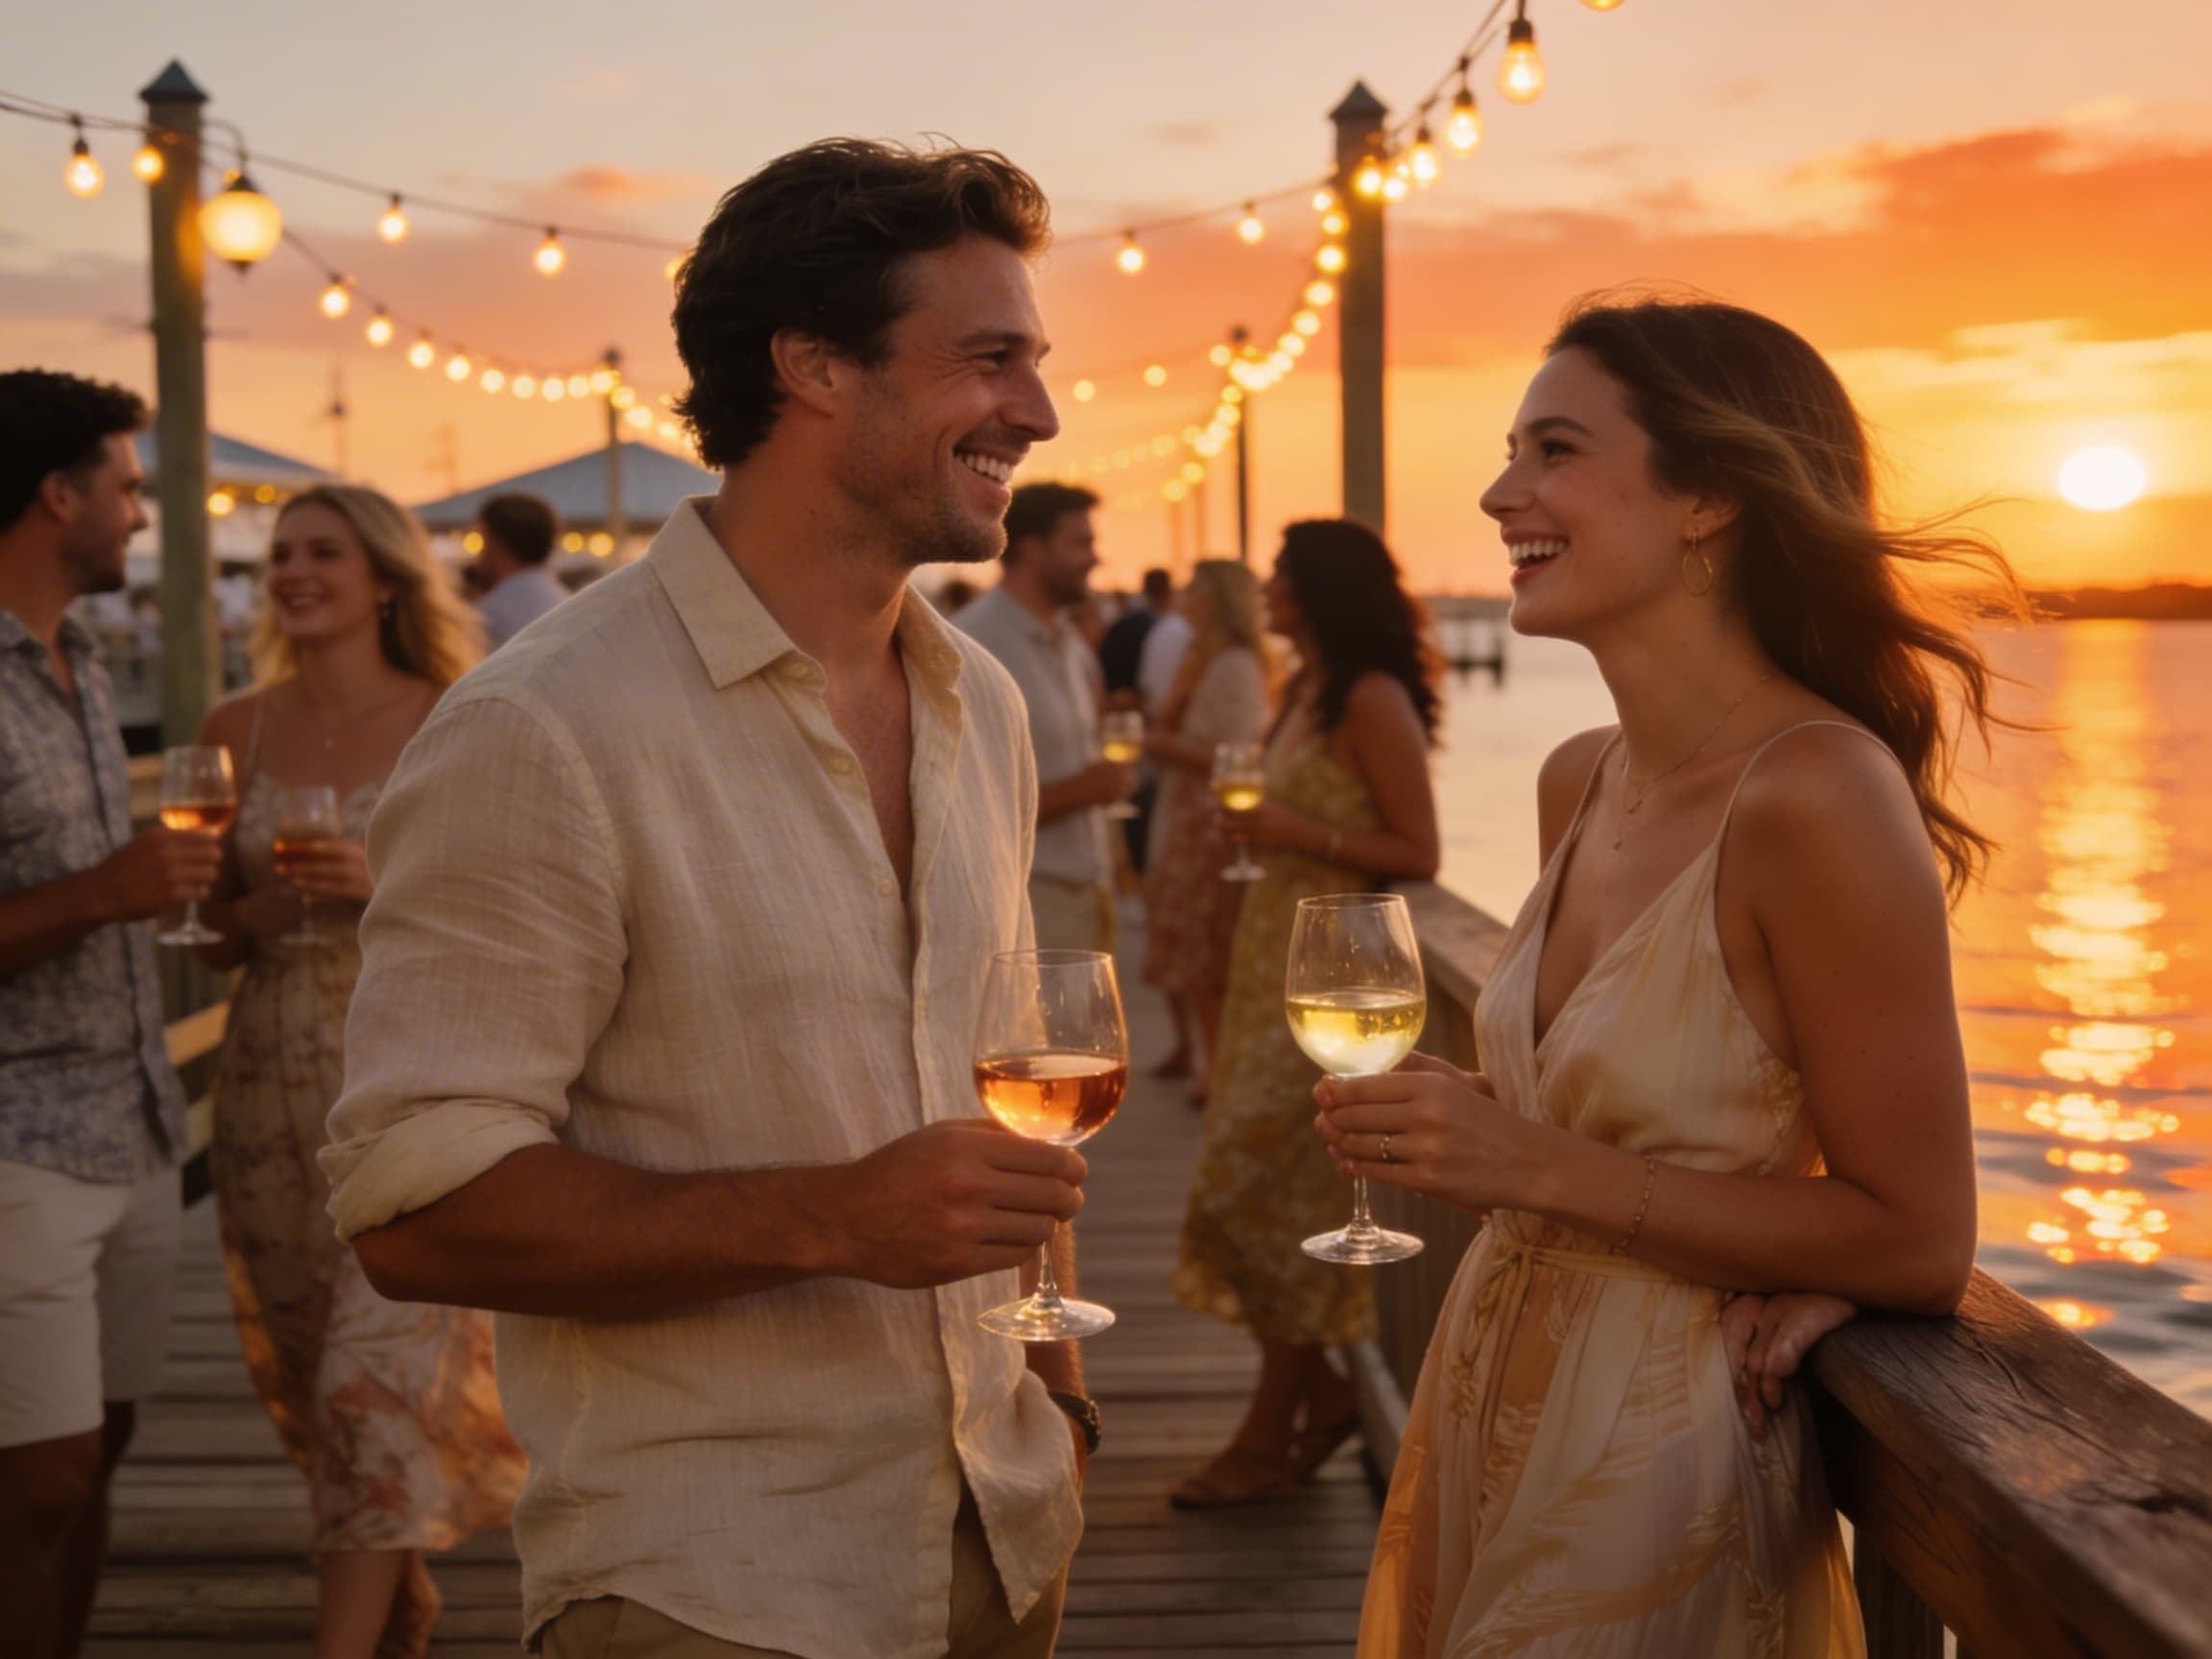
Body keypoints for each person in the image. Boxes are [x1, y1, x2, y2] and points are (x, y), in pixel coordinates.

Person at [321, 139, 1094, 1659]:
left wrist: (1058, 1398)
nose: (1041, 412)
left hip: (1005, 1540)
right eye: (990, 359)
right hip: (711, 1586)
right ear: (811, 364)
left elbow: (1013, 1095)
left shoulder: (981, 706)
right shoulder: (542, 726)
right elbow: (414, 1209)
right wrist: (833, 1216)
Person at [1318, 297, 2013, 1656]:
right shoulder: (1579, 777)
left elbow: (1923, 1236)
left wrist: (1523, 1161)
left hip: (1658, 1452)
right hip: (1489, 1391)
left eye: (1554, 450)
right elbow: (1632, 1116)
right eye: (1513, 450)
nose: (1499, 491)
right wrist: (1467, 1112)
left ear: (1709, 498)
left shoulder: (1817, 794)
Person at [190, 485, 514, 1659]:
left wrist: (378, 890)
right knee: (305, 1366)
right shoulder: (237, 728)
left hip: (407, 1075)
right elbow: (214, 932)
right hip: (272, 1081)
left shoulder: (459, 713)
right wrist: (255, 906)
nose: (292, 571)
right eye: (280, 554)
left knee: (363, 1382)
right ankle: (390, 1587)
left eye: (323, 551)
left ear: (385, 576)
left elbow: (507, 904)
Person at [0, 370, 221, 1659]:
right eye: (128, 486)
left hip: (137, 1124)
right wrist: (106, 890)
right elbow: (89, 897)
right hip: (20, 1139)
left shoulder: (79, 660)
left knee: (101, 1452)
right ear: (56, 492)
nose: (139, 513)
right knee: (38, 1478)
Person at [1171, 520, 1442, 1508]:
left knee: (1272, 1197)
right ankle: (1321, 1397)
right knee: (1239, 1191)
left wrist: (1293, 828)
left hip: (1339, 982)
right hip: (1267, 973)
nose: (1270, 584)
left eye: (1284, 571)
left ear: (1320, 587)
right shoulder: (1306, 692)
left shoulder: (1369, 698)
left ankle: (1265, 1428)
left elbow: (1419, 847)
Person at [956, 482, 1129, 953]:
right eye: (1081, 543)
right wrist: (1087, 789)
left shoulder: (1069, 642)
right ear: (1032, 549)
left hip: (1086, 890)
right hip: (1026, 900)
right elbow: (960, 803)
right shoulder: (973, 646)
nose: (1095, 559)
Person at [1139, 560, 1271, 1104]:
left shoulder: (1237, 665)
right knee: (1182, 931)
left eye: (1194, 588)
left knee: (1207, 941)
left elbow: (1237, 752)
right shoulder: (1200, 658)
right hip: (1185, 813)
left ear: (1217, 598)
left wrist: (1165, 747)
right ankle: (1196, 1051)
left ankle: (1216, 1066)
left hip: (1211, 821)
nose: (1184, 596)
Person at [469, 492, 565, 649]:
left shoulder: (488, 615)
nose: (477, 555)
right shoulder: (565, 600)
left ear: (493, 543)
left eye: (481, 540)